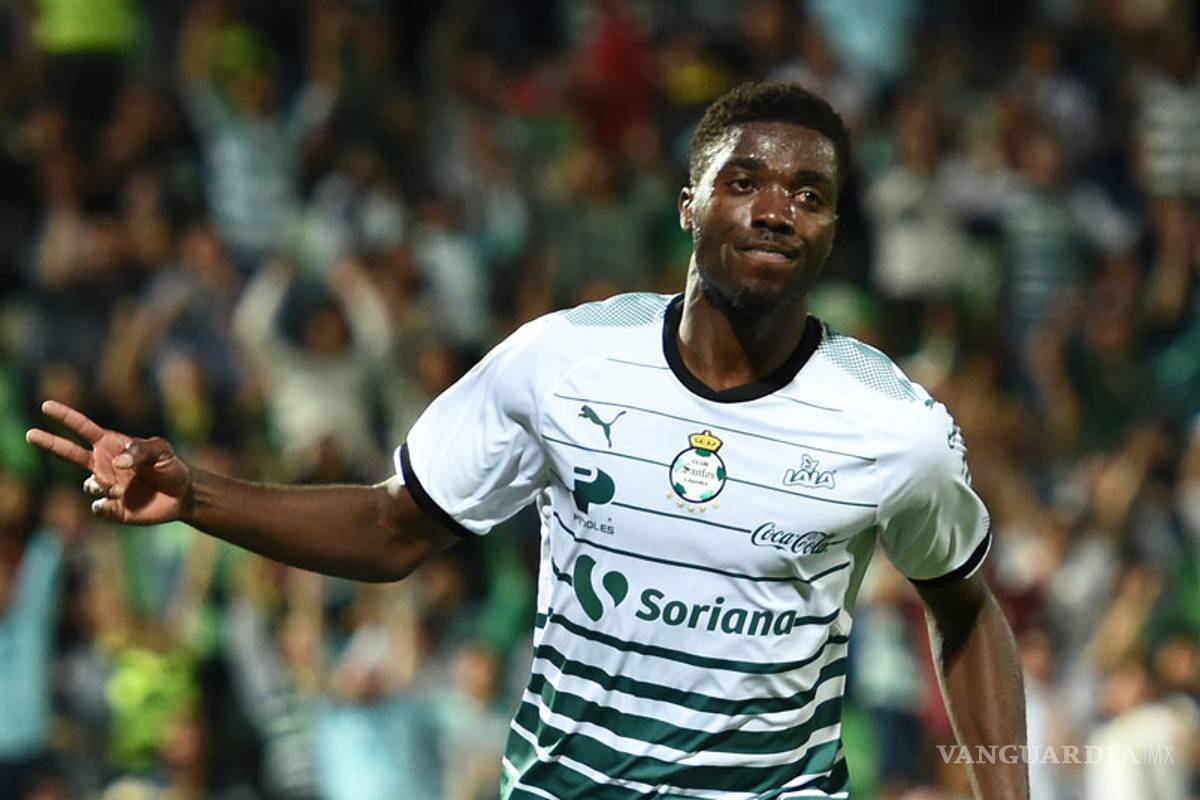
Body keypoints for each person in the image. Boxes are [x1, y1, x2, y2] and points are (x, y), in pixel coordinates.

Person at [28, 83, 1028, 799]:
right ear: (688, 204)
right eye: (745, 180)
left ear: (835, 229)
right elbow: (393, 527)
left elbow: (967, 611)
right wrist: (197, 493)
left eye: (810, 194)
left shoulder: (894, 430)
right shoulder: (560, 361)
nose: (776, 209)